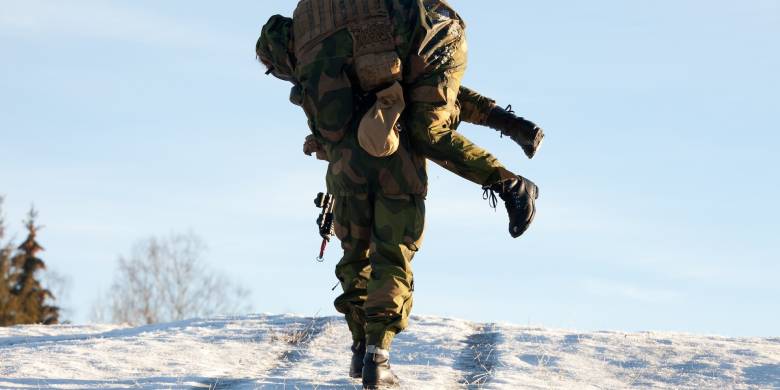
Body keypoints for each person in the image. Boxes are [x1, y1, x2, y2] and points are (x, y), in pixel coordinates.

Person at [256, 1, 540, 387]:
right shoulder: (353, 33)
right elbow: (435, 91)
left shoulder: (310, 67)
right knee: (392, 256)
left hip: (346, 176)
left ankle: (361, 353)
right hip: (396, 165)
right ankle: (377, 356)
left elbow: (334, 132)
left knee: (355, 259)